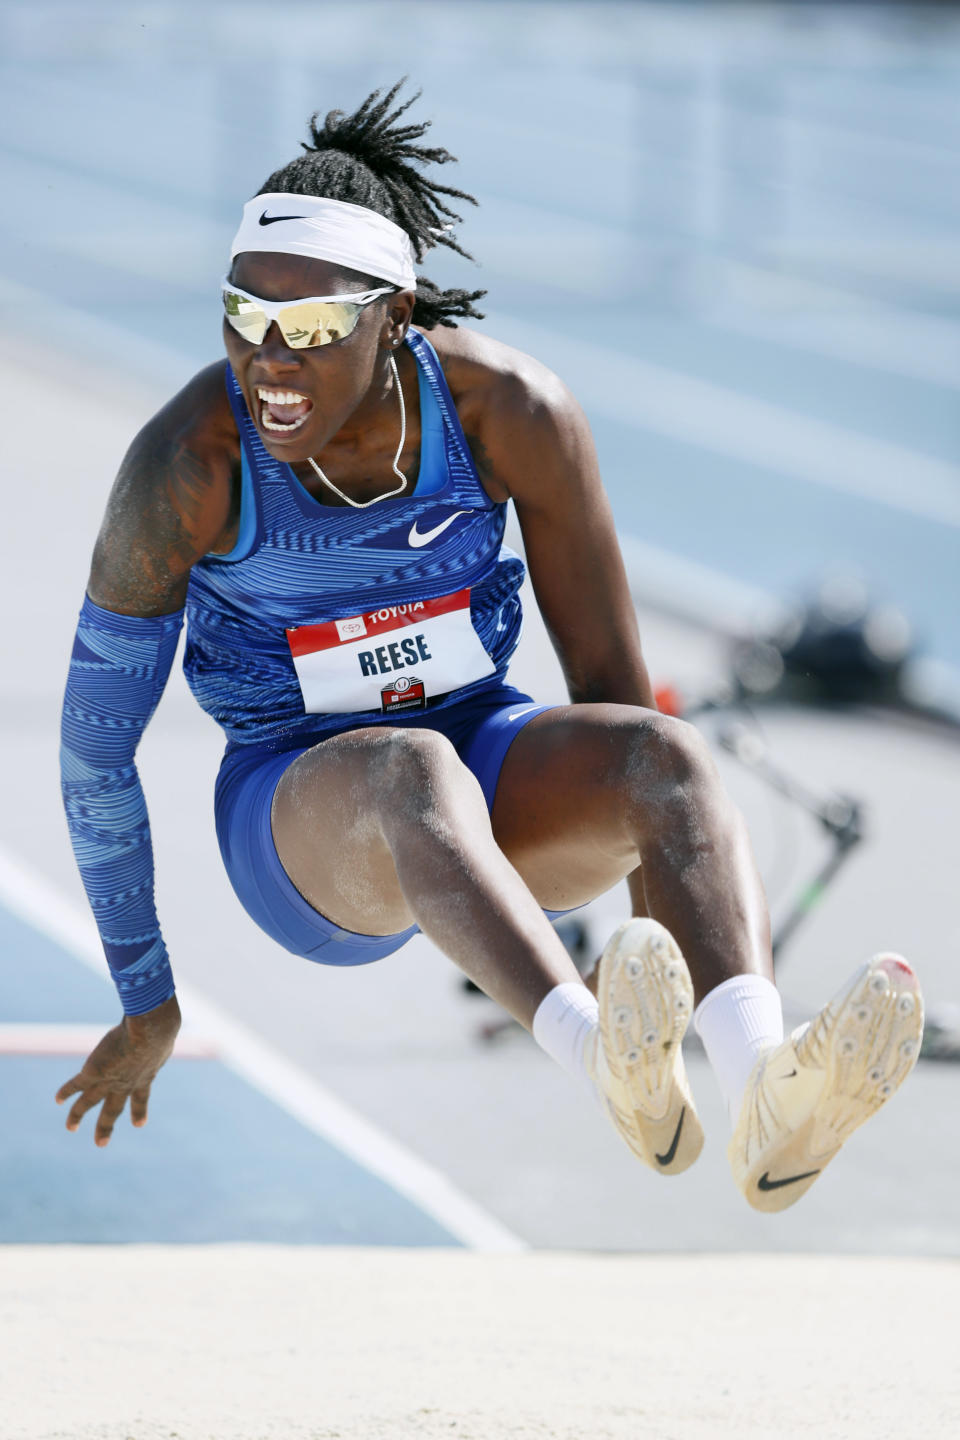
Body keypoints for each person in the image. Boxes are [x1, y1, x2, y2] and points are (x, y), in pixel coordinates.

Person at [56, 83, 923, 1213]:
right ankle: (594, 1057)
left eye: (313, 328)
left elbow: (610, 696)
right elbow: (93, 753)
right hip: (300, 820)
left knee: (666, 754)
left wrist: (629, 937)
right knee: (407, 768)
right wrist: (145, 996)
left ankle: (767, 1087)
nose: (271, 359)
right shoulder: (187, 466)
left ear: (394, 314)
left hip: (485, 762)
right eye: (242, 315)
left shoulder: (509, 412)